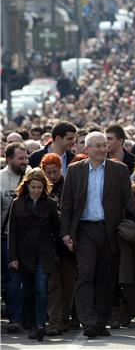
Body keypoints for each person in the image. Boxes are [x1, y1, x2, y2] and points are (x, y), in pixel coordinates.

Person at [60, 132, 135, 339]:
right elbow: (66, 204)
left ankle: (101, 321)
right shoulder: (74, 170)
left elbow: (128, 202)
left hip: (110, 230)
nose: (102, 149)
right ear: (86, 149)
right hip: (85, 230)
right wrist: (66, 233)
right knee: (86, 273)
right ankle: (88, 321)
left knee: (107, 277)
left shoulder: (119, 170)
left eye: (104, 145)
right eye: (97, 146)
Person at [8, 169, 60, 341]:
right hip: (24, 254)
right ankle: (30, 323)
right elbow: (13, 233)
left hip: (44, 254)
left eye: (39, 187)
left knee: (41, 288)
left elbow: (56, 229)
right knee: (27, 291)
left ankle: (40, 324)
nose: (36, 190)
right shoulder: (18, 204)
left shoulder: (50, 205)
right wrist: (13, 257)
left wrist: (55, 252)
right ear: (27, 186)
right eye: (33, 187)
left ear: (44, 188)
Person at [40, 154, 75, 336]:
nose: (52, 175)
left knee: (68, 284)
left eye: (55, 171)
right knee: (53, 285)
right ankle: (54, 321)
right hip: (49, 244)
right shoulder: (42, 188)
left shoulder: (68, 186)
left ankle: (64, 319)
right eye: (49, 172)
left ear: (61, 170)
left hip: (67, 243)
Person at [1, 142, 30, 333]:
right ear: (9, 158)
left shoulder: (32, 175)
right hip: (4, 238)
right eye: (20, 158)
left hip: (27, 239)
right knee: (10, 278)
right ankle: (15, 317)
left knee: (21, 279)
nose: (24, 161)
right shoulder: (1, 180)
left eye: (26, 157)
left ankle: (21, 318)